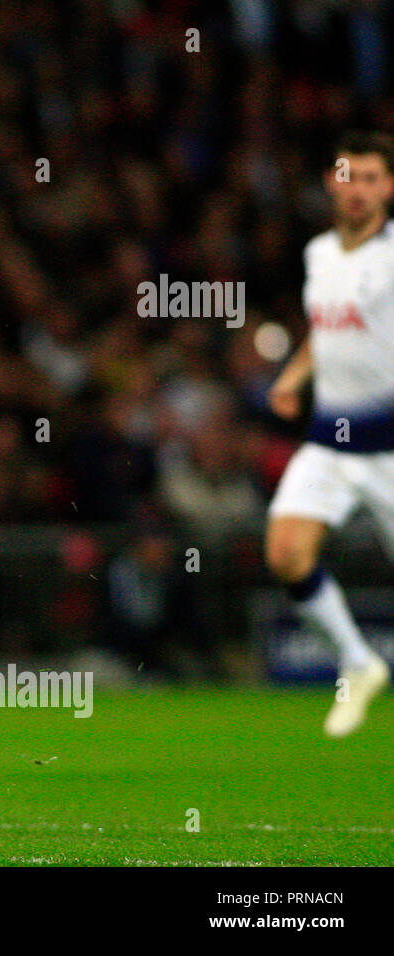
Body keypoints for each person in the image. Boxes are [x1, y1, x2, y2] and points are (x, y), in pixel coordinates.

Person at [266, 129, 394, 737]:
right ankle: (358, 660)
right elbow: (327, 329)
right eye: (350, 177)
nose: (359, 190)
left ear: (389, 187)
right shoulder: (319, 253)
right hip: (329, 440)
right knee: (287, 553)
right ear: (331, 183)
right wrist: (294, 376)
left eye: (372, 178)